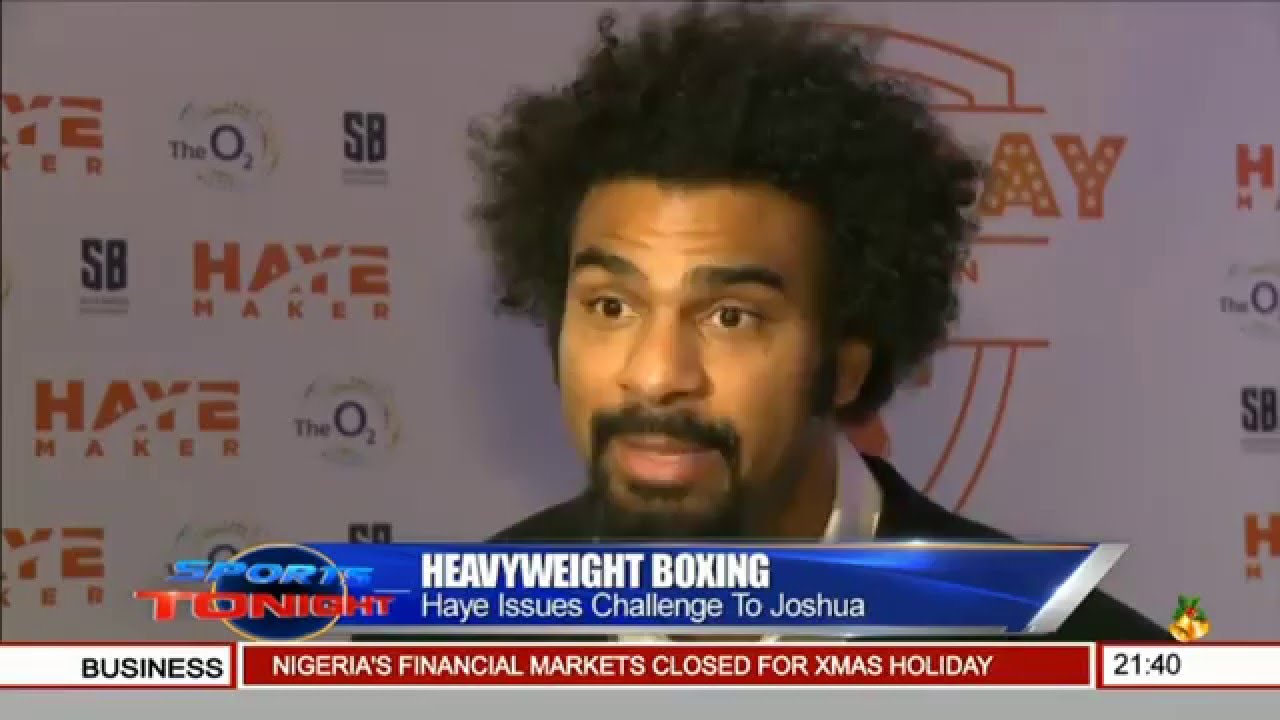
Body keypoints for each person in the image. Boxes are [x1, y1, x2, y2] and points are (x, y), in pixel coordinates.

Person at [377, 1, 1166, 642]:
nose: (654, 374)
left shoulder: (1075, 661)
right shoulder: (442, 649)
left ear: (845, 363)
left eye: (730, 316)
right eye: (611, 307)